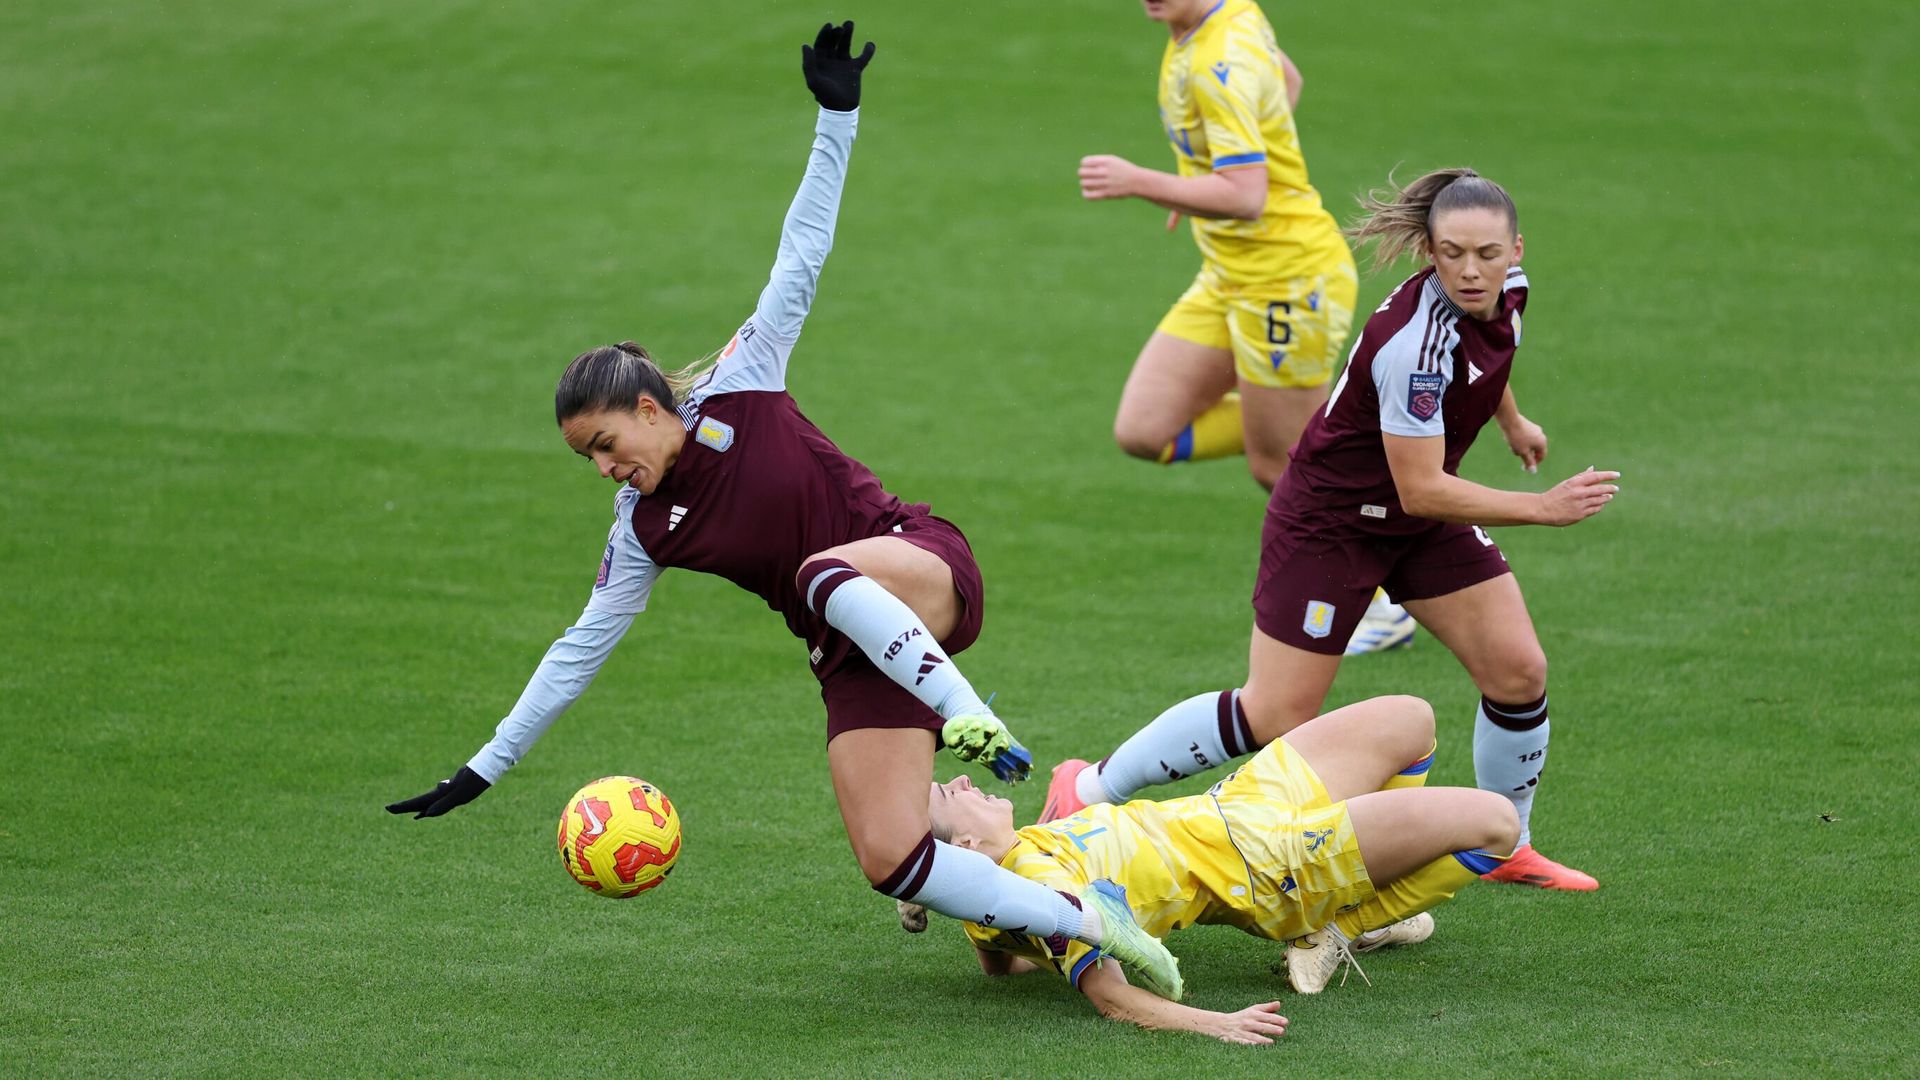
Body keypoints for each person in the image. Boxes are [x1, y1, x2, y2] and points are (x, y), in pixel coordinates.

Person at [383, 22, 1183, 1000]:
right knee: (890, 857)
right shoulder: (642, 531)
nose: (603, 469)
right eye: (586, 459)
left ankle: (974, 720)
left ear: (648, 409)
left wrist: (835, 112)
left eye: (604, 445)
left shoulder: (741, 381)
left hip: (918, 568)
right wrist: (484, 768)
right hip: (849, 652)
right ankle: (1084, 920)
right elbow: (577, 651)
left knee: (818, 574)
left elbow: (802, 246)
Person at [1042, 168, 1620, 890]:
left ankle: (1503, 840)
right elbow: (1423, 486)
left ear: (1515, 248)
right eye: (1452, 254)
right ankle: (1087, 788)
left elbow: (1491, 357)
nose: (1472, 271)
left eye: (1487, 253)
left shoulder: (1510, 290)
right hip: (1334, 523)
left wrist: (1512, 420)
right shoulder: (1414, 346)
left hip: (1416, 521)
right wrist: (1543, 507)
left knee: (1518, 669)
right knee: (1276, 709)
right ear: (1428, 254)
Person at [1077, 0, 1415, 656]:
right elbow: (1287, 81)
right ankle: (1329, 425)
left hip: (1288, 283)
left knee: (1275, 463)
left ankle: (1378, 603)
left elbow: (1247, 196)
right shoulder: (1229, 17)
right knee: (1144, 430)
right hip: (1228, 275)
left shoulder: (1216, 60)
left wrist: (1145, 182)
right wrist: (1199, 184)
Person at [918, 696, 1519, 1044]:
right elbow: (1109, 996)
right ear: (968, 842)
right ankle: (1341, 925)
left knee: (1409, 720)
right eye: (950, 792)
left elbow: (998, 964)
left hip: (1234, 806)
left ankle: (1354, 902)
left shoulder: (997, 886)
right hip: (1271, 865)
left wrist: (927, 888)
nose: (963, 778)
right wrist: (1218, 1024)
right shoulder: (1044, 892)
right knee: (1498, 825)